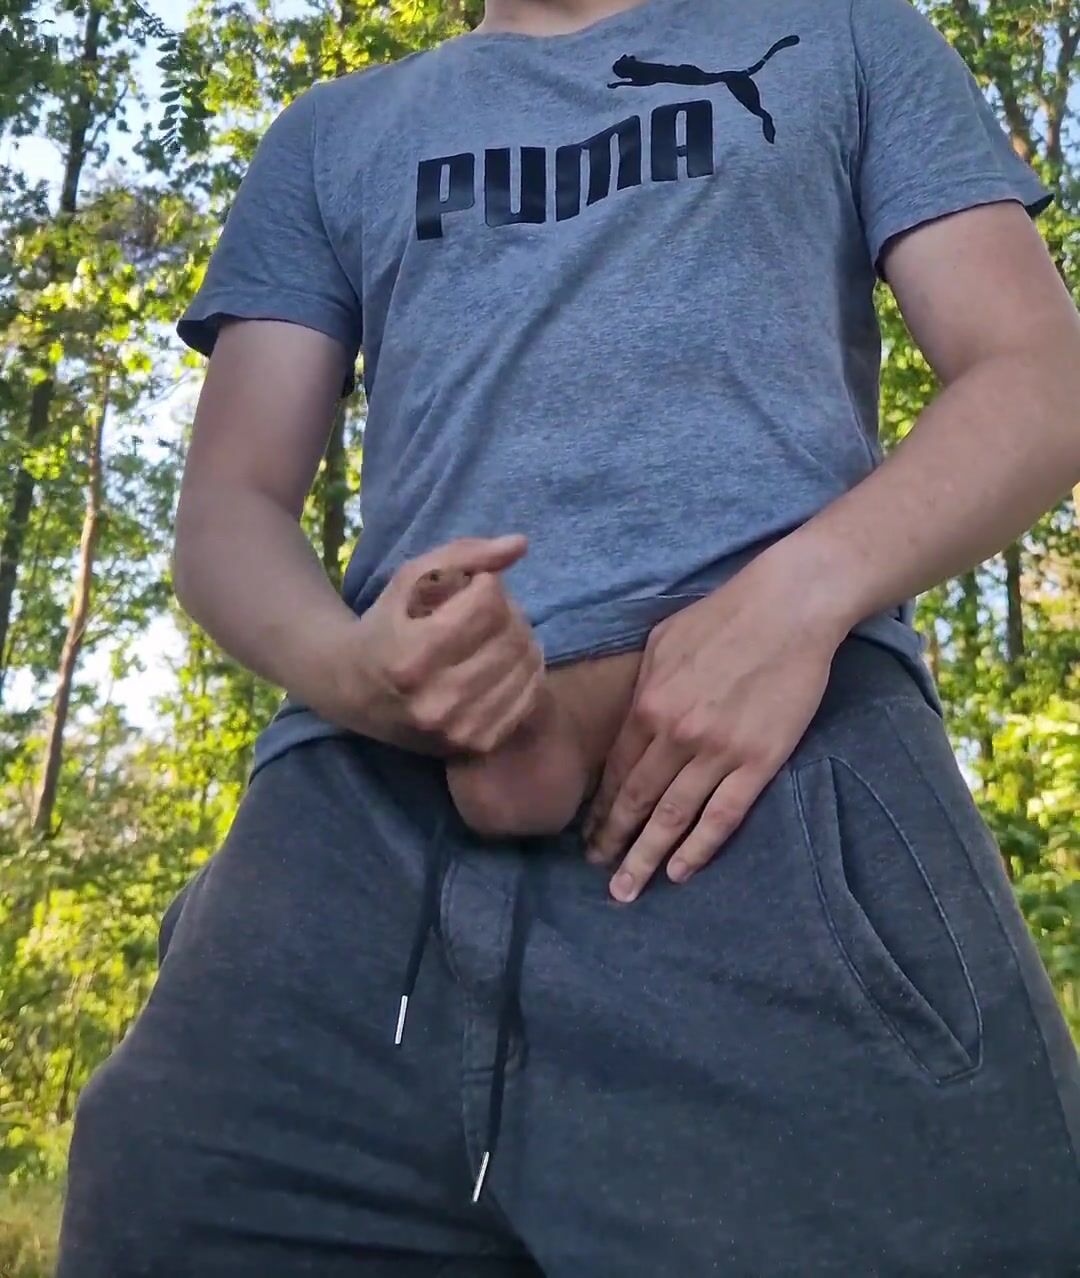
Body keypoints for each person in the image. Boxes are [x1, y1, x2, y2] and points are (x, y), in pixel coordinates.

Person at [56, 0, 1080, 1271]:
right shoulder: (330, 134)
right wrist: (356, 672)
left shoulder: (848, 37)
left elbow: (1039, 373)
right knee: (164, 1206)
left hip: (769, 780)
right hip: (359, 830)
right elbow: (229, 508)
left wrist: (799, 597)